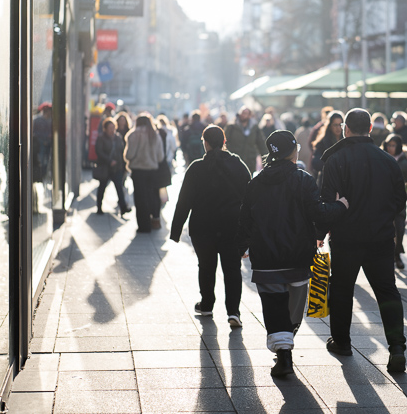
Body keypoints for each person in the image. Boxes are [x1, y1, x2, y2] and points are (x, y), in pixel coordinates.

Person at [238, 130, 348, 377]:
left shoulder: (256, 182)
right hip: (297, 256)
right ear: (292, 151)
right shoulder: (303, 179)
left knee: (274, 307)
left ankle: (284, 355)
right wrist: (340, 206)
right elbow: (318, 214)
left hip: (265, 258)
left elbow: (245, 219)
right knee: (294, 309)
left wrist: (242, 246)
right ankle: (285, 349)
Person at [318, 108, 407, 373]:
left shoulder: (335, 160)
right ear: (370, 128)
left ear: (346, 128)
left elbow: (325, 201)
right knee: (387, 292)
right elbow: (400, 202)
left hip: (346, 237)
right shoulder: (388, 160)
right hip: (380, 238)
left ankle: (342, 342)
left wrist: (319, 234)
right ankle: (397, 348)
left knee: (343, 290)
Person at [170, 125, 251, 326]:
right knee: (232, 269)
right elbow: (250, 200)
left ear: (205, 143)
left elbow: (184, 201)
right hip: (232, 226)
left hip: (202, 227)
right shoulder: (238, 165)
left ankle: (206, 305)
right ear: (224, 142)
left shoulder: (196, 167)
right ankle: (233, 312)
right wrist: (250, 233)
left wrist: (176, 231)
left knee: (206, 266)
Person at [124, 113, 164, 234]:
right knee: (150, 196)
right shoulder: (155, 135)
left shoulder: (133, 134)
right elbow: (160, 157)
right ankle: (152, 220)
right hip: (152, 171)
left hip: (138, 171)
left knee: (140, 198)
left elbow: (129, 155)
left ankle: (143, 225)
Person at [383, 134, 407, 269]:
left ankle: (397, 254)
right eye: (389, 145)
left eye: (393, 145)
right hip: (383, 201)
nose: (391, 148)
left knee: (400, 228)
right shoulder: (382, 158)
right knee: (386, 231)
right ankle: (390, 256)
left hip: (399, 201)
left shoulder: (404, 162)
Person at [94, 118, 130, 216]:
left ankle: (123, 207)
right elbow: (99, 151)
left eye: (113, 127)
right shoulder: (101, 138)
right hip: (105, 167)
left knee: (119, 188)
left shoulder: (118, 137)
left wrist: (123, 165)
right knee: (102, 187)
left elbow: (122, 151)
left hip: (117, 168)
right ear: (105, 128)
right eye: (110, 128)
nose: (112, 130)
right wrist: (109, 161)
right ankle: (99, 207)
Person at [225, 106, 267, 173]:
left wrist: (265, 160)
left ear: (249, 115)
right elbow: (225, 142)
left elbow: (261, 144)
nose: (243, 115)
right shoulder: (232, 126)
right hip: (234, 161)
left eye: (245, 113)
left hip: (250, 161)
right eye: (242, 113)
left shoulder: (254, 127)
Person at [311, 111, 344, 184]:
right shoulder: (322, 142)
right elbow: (316, 163)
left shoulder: (347, 141)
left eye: (340, 125)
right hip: (327, 181)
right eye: (335, 125)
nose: (338, 128)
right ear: (330, 126)